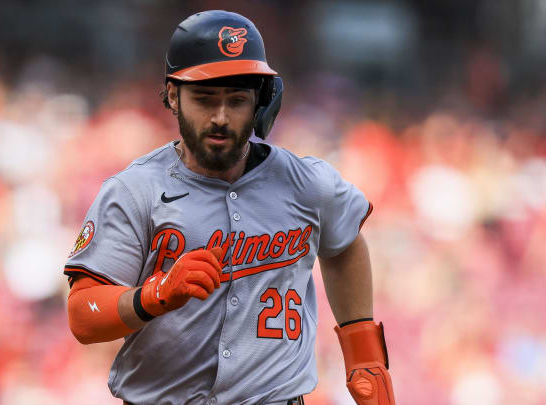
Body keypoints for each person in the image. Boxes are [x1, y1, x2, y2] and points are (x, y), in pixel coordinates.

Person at [65, 10, 395, 405]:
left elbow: (345, 245)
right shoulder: (135, 190)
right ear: (173, 95)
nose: (220, 117)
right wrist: (154, 295)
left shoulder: (307, 183)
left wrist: (364, 358)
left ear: (260, 101)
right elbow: (83, 316)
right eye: (204, 99)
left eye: (236, 101)